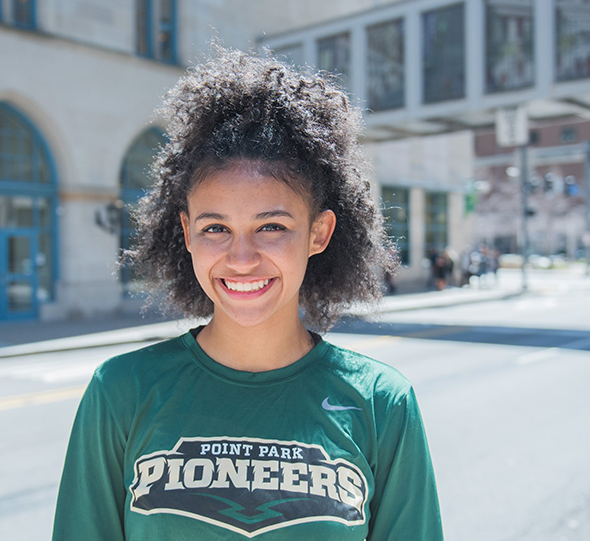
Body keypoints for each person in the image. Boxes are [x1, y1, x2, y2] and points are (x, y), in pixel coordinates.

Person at [53, 49, 443, 540]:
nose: (241, 258)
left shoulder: (381, 403)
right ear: (188, 232)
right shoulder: (121, 392)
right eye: (216, 228)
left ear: (318, 233)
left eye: (272, 226)